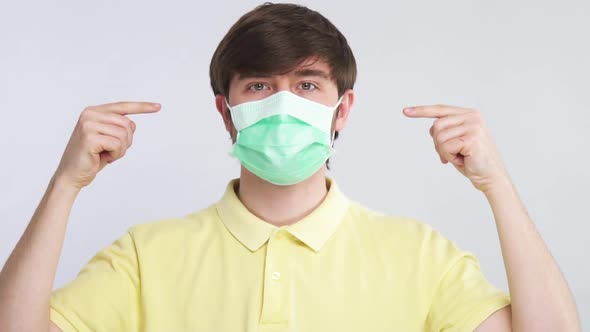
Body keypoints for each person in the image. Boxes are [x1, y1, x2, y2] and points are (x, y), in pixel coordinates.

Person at [0, 3, 581, 332]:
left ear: (341, 108)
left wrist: (496, 185)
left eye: (306, 85)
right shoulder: (144, 258)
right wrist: (64, 186)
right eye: (259, 86)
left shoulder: (420, 256)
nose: (282, 104)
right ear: (227, 114)